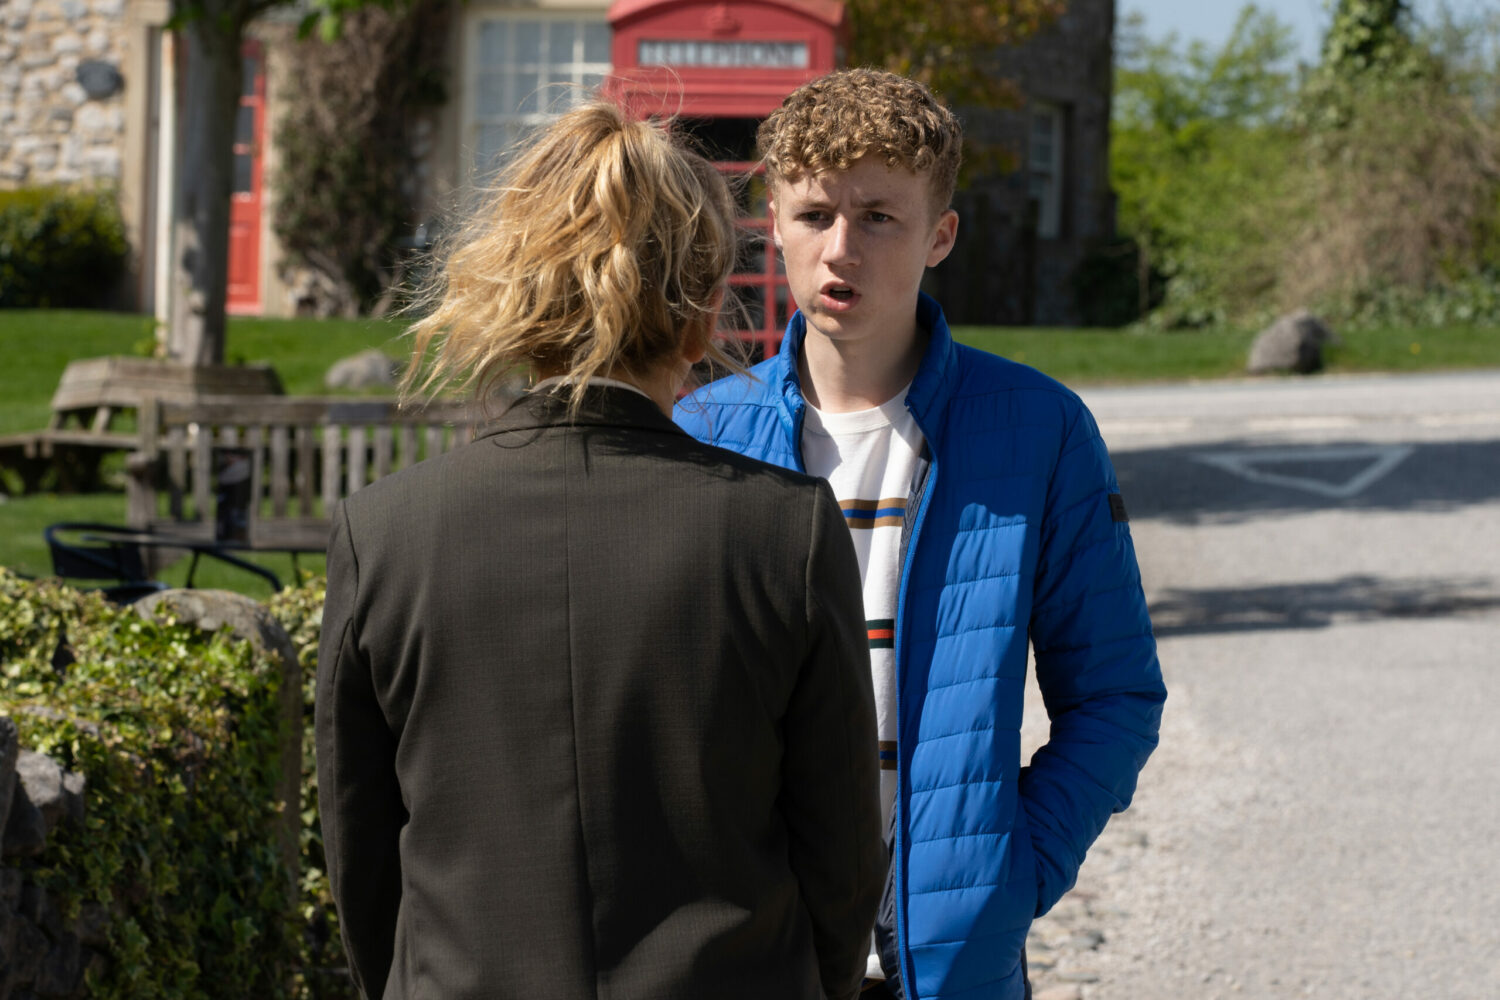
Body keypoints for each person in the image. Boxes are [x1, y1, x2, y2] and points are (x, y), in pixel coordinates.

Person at [314, 99, 886, 1000]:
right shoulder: (787, 530)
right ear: (702, 320)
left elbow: (362, 853)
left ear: (510, 297)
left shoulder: (384, 532)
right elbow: (843, 857)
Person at [676, 69, 1167, 1000]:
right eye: (815, 214)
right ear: (772, 221)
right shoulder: (702, 432)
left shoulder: (1037, 430)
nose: (841, 249)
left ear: (940, 235)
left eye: (879, 217)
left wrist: (1010, 878)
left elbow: (1114, 696)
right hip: (747, 959)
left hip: (946, 965)